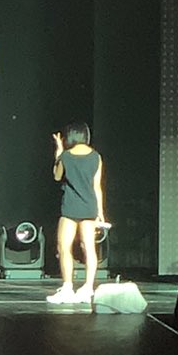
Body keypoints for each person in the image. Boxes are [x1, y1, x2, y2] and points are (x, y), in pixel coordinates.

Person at [50, 122, 106, 307]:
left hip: (70, 206)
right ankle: (88, 287)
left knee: (64, 247)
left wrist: (58, 153)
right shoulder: (96, 156)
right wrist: (100, 212)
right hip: (89, 207)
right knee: (88, 247)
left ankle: (67, 287)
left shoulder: (66, 156)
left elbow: (57, 176)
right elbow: (97, 187)